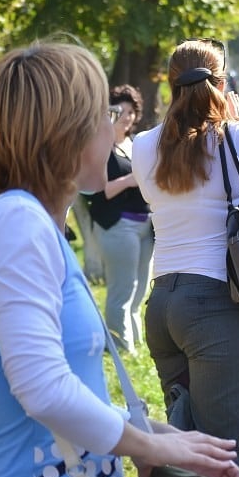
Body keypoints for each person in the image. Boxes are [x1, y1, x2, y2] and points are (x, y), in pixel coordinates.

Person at [0, 41, 239, 477]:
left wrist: (161, 437)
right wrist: (151, 446)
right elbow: (41, 388)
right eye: (102, 113)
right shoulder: (16, 223)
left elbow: (72, 391)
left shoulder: (31, 224)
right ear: (65, 131)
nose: (112, 127)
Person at [132, 38, 239, 467]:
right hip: (214, 307)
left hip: (162, 304)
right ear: (222, 83)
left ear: (170, 85)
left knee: (190, 447)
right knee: (220, 459)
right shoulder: (234, 137)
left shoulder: (143, 145)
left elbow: (155, 196)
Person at [83, 84, 153, 354]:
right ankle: (120, 349)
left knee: (139, 293)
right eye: (120, 111)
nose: (126, 116)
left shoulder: (135, 143)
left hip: (145, 224)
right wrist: (130, 180)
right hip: (117, 226)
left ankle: (134, 347)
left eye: (131, 111)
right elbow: (98, 191)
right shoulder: (100, 148)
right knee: (121, 291)